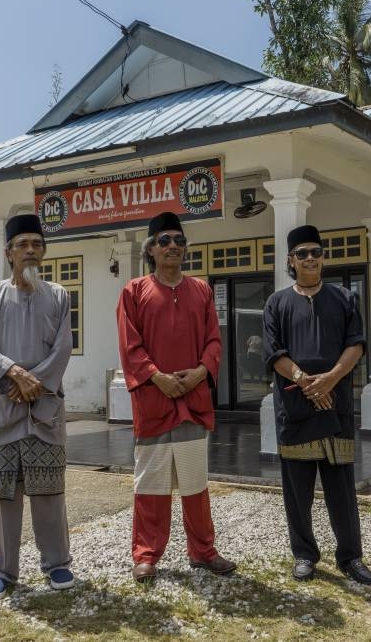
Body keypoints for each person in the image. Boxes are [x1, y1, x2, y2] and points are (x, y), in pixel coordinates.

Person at [116, 211, 237, 582]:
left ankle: (203, 551)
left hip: (192, 400)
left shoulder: (201, 290)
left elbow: (214, 340)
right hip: (153, 403)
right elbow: (129, 346)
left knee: (195, 482)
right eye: (164, 240)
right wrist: (156, 378)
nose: (172, 247)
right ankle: (146, 554)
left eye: (179, 241)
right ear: (151, 249)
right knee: (150, 484)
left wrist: (201, 371)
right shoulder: (133, 291)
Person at [262, 224, 371, 585]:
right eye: (302, 253)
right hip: (296, 409)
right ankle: (304, 555)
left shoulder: (344, 298)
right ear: (290, 260)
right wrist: (305, 381)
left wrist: (330, 379)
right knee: (297, 491)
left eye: (316, 252)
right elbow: (273, 353)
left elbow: (355, 345)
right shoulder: (276, 303)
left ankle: (351, 557)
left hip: (336, 406)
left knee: (341, 487)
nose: (309, 258)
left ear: (323, 257)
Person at [0, 214, 75, 600]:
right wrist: (14, 373)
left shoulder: (59, 296)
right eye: (23, 244)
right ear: (9, 252)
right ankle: (1, 569)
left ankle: (58, 564)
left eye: (37, 244)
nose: (31, 250)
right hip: (0, 411)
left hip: (43, 410)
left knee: (49, 492)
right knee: (0, 495)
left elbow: (64, 347)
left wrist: (35, 383)